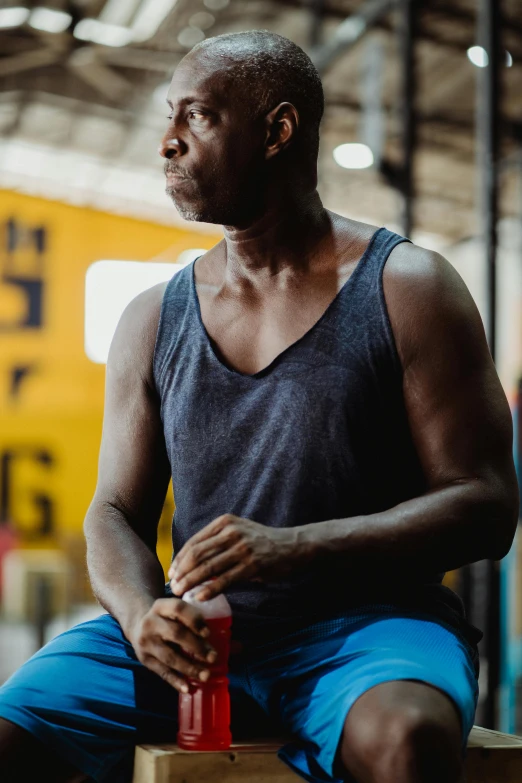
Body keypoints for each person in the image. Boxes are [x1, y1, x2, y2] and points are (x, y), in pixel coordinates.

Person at [0, 30, 518, 783]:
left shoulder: (408, 288)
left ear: (277, 130)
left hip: (367, 630)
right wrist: (145, 615)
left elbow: (488, 504)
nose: (168, 143)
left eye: (198, 117)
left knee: (408, 741)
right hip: (197, 632)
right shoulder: (153, 318)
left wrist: (298, 545)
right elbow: (111, 510)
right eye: (168, 119)